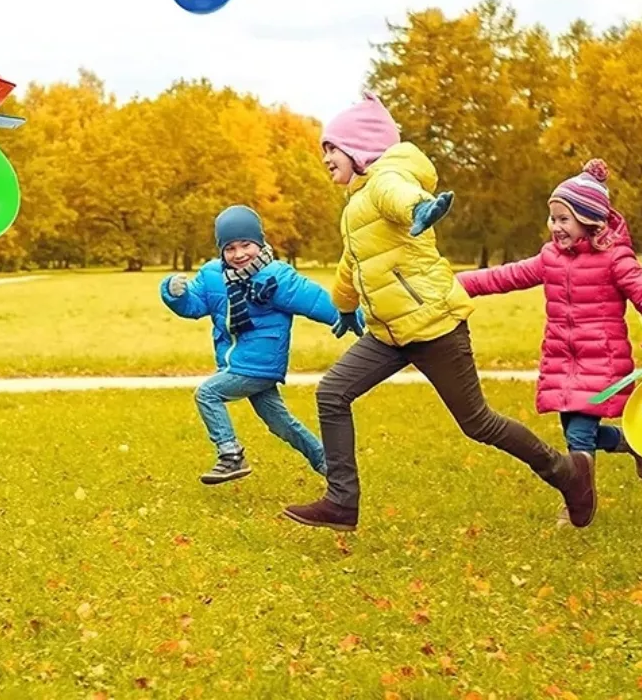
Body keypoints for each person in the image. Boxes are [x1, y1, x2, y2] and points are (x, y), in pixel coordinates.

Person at [282, 92, 594, 532]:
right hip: (389, 334)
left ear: (360, 150)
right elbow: (353, 262)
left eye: (332, 148)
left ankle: (567, 473)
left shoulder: (386, 181)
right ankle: (341, 502)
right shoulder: (357, 204)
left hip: (434, 326)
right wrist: (345, 306)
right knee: (332, 393)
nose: (325, 157)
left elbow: (401, 196)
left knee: (478, 423)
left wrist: (420, 209)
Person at [455, 159, 642, 524]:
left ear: (589, 221)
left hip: (601, 362)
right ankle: (634, 443)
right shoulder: (551, 258)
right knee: (579, 432)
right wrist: (457, 283)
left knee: (579, 436)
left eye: (564, 219)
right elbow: (505, 276)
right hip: (562, 361)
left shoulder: (615, 259)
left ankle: (577, 502)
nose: (555, 227)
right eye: (553, 218)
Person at [162, 205, 364, 485]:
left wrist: (355, 315)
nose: (239, 254)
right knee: (281, 423)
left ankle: (231, 454)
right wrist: (174, 294)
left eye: (246, 245)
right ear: (221, 251)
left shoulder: (277, 277)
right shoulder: (212, 275)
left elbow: (316, 300)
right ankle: (331, 469)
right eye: (230, 248)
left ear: (260, 242)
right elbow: (194, 306)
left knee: (207, 394)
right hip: (236, 363)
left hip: (259, 364)